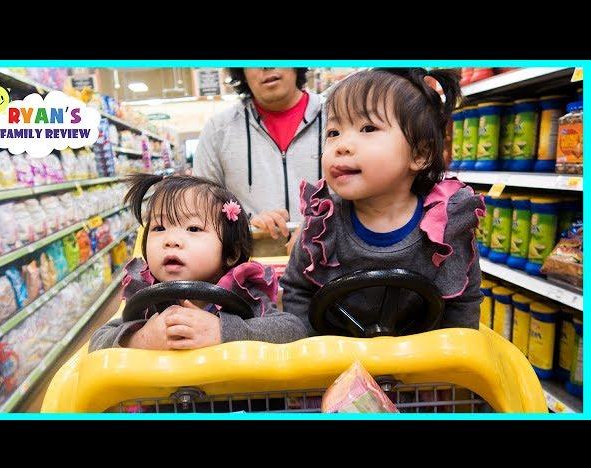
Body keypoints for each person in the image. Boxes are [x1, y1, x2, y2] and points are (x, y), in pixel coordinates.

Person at [280, 68, 484, 333]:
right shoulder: (323, 224)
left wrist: (452, 366)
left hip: (419, 365)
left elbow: (463, 306)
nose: (341, 145)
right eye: (333, 132)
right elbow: (296, 290)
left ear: (419, 155)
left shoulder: (445, 228)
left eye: (368, 128)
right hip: (336, 363)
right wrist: (309, 349)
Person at [89, 174, 310, 352]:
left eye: (193, 229)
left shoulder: (244, 292)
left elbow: (293, 331)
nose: (171, 240)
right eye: (159, 228)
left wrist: (223, 332)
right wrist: (141, 338)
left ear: (231, 252)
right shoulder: (145, 294)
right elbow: (98, 342)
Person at [193, 68, 323, 246]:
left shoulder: (338, 117)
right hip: (252, 266)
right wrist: (242, 224)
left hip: (332, 263)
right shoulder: (218, 130)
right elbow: (201, 211)